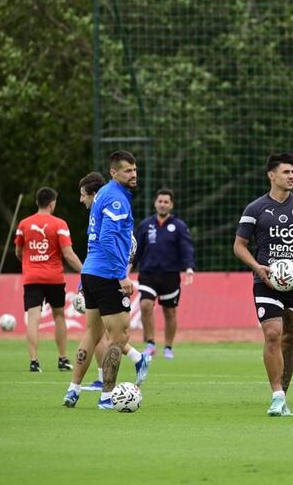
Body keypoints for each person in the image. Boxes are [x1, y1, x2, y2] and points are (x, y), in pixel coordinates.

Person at [234, 153, 293, 417]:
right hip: (266, 281)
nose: (291, 176)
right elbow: (239, 246)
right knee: (273, 334)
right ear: (272, 175)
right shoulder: (255, 208)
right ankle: (277, 395)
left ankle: (284, 395)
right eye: (286, 172)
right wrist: (258, 267)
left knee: (291, 338)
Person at [63, 151, 142, 410]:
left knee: (93, 332)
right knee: (119, 335)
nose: (133, 174)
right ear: (114, 172)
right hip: (108, 274)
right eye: (127, 171)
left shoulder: (104, 194)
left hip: (91, 270)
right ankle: (108, 397)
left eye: (134, 169)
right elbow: (107, 237)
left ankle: (73, 389)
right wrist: (121, 275)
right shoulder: (117, 199)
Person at [71, 172, 150, 392]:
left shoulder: (112, 209)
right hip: (97, 276)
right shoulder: (99, 215)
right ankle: (130, 363)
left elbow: (119, 251)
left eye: (83, 195)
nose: (82, 200)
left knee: (107, 334)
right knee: (102, 334)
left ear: (94, 194)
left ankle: (97, 385)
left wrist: (122, 276)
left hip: (109, 277)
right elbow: (94, 250)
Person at [14, 187, 83, 372]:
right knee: (59, 316)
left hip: (32, 278)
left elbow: (18, 252)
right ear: (52, 203)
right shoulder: (59, 224)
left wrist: (30, 263)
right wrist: (84, 271)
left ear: (37, 202)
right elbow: (68, 254)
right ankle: (62, 359)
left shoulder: (24, 224)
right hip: (54, 278)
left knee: (33, 319)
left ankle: (34, 362)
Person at [131, 188, 195, 359]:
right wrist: (129, 267)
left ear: (171, 205)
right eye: (160, 201)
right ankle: (150, 344)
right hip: (148, 274)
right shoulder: (145, 225)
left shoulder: (179, 226)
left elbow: (186, 249)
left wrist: (189, 267)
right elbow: (136, 250)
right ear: (155, 203)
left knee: (170, 312)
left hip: (170, 275)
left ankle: (168, 347)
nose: (162, 204)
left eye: (166, 202)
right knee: (145, 305)